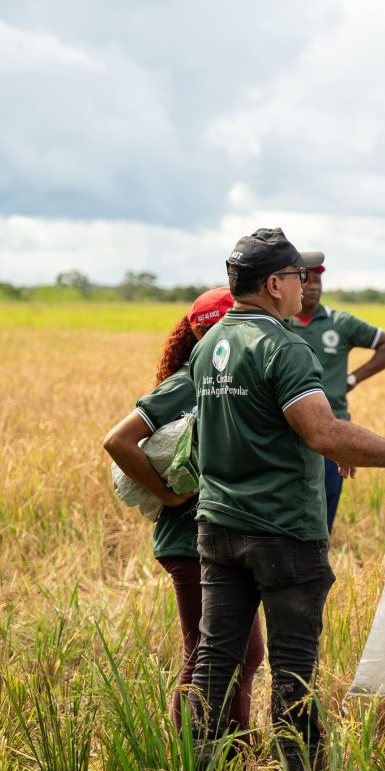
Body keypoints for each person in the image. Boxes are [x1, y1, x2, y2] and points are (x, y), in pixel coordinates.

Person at [189, 228, 385, 771]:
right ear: (274, 283)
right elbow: (322, 431)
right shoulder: (283, 347)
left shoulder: (210, 346)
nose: (305, 288)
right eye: (299, 278)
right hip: (283, 531)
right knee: (293, 671)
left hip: (218, 527)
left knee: (214, 660)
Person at [101, 287, 266, 730]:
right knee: (207, 649)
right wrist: (171, 495)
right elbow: (117, 441)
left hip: (223, 534)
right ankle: (194, 753)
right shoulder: (193, 379)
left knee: (243, 652)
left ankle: (231, 744)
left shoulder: (232, 381)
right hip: (189, 539)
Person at [283, 251, 385, 531]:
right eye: (307, 280)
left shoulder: (340, 322)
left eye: (318, 282)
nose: (313, 287)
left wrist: (353, 379)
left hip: (332, 428)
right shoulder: (279, 323)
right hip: (286, 431)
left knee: (323, 508)